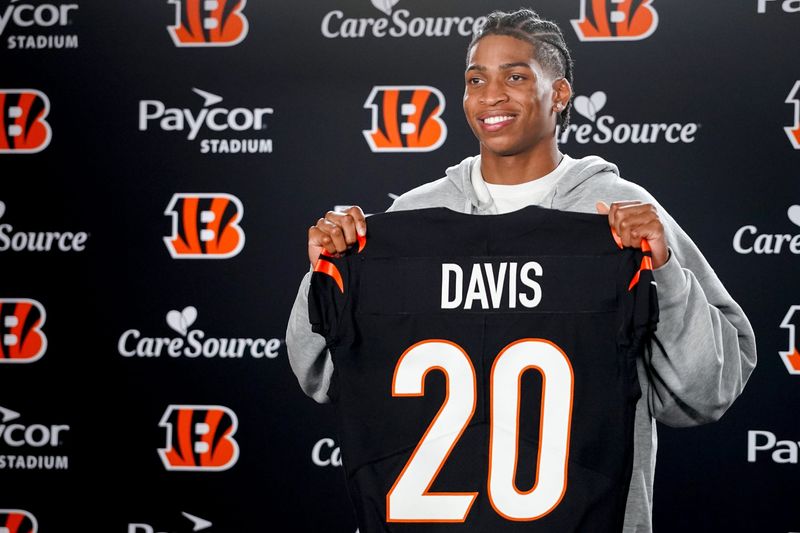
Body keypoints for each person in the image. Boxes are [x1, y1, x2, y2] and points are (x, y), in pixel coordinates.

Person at [286, 8, 756, 532]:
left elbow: (708, 390)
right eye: (475, 79)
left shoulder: (620, 212)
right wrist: (325, 272)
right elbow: (323, 375)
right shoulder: (412, 219)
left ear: (558, 94)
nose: (490, 95)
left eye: (514, 76)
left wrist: (663, 267)